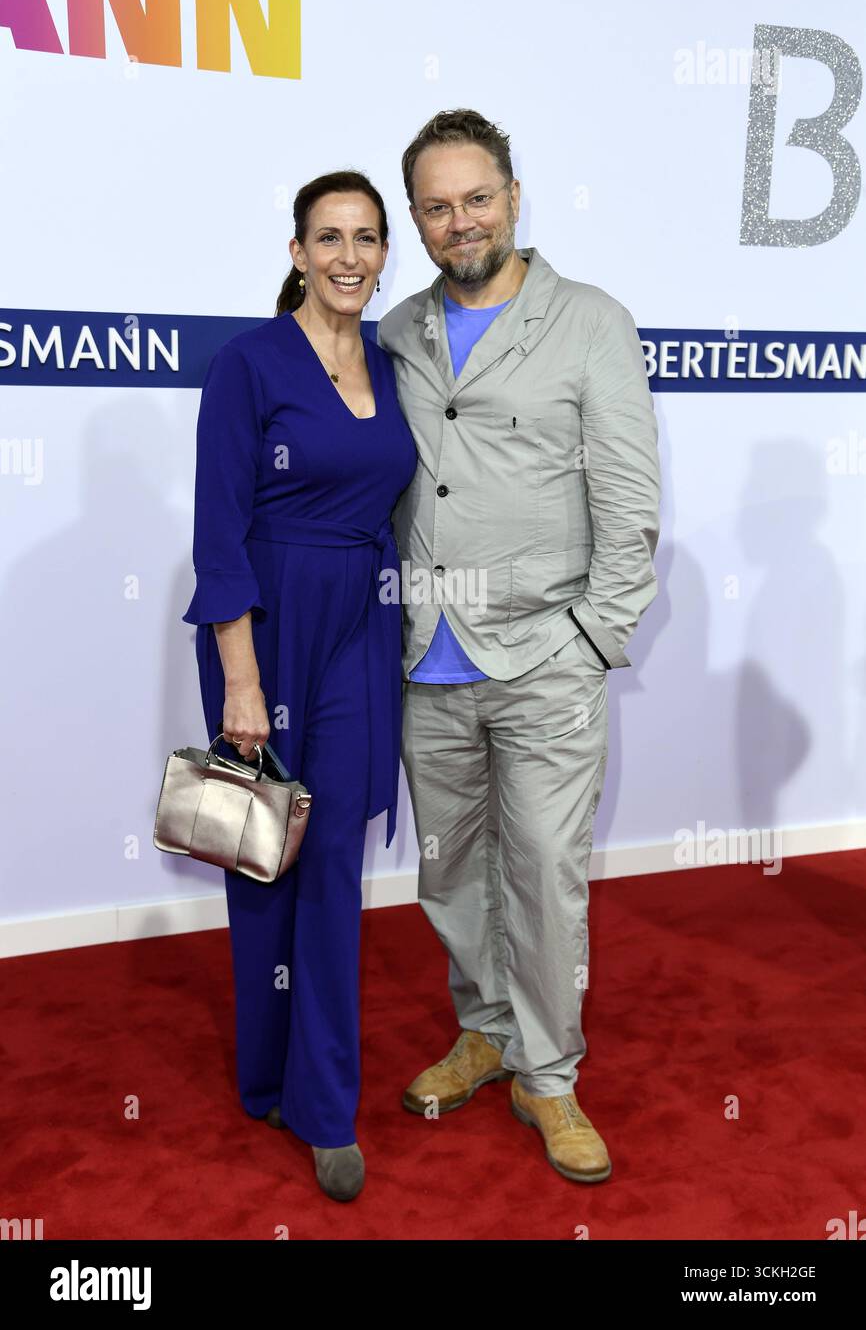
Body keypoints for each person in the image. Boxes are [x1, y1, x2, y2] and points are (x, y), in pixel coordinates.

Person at [377, 109, 661, 1183]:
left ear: (512, 194)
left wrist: (592, 637)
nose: (461, 221)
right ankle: (484, 1028)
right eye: (438, 207)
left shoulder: (589, 320)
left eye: (477, 198)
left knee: (542, 875)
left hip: (546, 657)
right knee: (451, 876)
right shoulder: (396, 328)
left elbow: (629, 501)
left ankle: (549, 1076)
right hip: (424, 656)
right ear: (416, 218)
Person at [181, 171, 417, 1201]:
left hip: (360, 627)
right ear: (295, 252)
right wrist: (240, 679)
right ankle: (265, 1074)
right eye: (329, 237)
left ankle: (323, 1107)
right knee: (259, 853)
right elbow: (217, 532)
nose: (349, 257)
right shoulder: (248, 363)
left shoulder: (389, 361)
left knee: (328, 861)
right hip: (266, 626)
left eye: (366, 238)